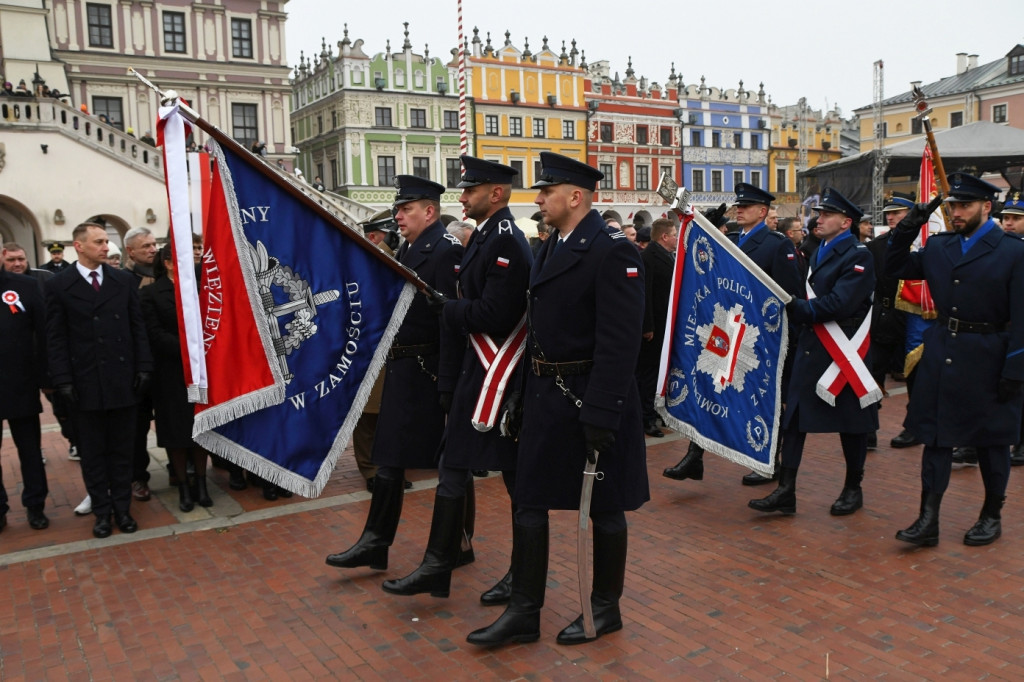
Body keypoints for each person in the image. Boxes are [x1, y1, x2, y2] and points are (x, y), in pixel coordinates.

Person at [467, 152, 648, 647]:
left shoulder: (612, 250)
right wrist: (521, 395)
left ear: (575, 197)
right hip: (546, 397)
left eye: (546, 192)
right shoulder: (550, 247)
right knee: (529, 499)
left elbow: (620, 341)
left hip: (590, 397)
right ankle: (525, 610)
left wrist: (603, 411)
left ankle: (605, 607)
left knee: (604, 506)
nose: (538, 199)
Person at [384, 156, 532, 606]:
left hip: (501, 378)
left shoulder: (506, 241)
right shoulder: (484, 237)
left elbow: (495, 313)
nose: (462, 197)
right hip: (476, 373)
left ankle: (521, 572)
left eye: (471, 190)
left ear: (497, 193)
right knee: (453, 468)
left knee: (514, 482)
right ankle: (438, 564)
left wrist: (445, 308)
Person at [325, 176, 462, 571]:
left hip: (427, 370)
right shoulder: (412, 248)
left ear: (429, 211)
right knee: (390, 458)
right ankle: (376, 542)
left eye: (405, 209)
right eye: (398, 209)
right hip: (404, 368)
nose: (397, 216)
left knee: (446, 462)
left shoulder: (444, 251)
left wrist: (448, 381)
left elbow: (452, 320)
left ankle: (451, 543)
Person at [888, 174, 1024, 547]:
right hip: (944, 351)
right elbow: (895, 267)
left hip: (991, 355)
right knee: (936, 439)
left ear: (986, 206)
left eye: (965, 205)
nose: (957, 212)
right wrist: (911, 224)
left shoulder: (1014, 251)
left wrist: (1016, 368)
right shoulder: (940, 246)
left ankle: (991, 514)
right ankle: (927, 519)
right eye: (953, 206)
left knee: (992, 443)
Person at [749, 188, 878, 517]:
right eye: (818, 215)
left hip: (842, 349)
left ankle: (853, 487)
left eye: (825, 215)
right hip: (813, 345)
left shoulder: (858, 255)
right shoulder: (818, 249)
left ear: (845, 222)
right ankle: (786, 490)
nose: (817, 219)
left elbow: (841, 302)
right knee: (794, 420)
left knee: (851, 423)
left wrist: (796, 307)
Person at [664, 184, 803, 486]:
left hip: (758, 339)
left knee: (763, 397)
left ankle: (767, 460)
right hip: (727, 331)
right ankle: (694, 456)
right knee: (710, 386)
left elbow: (791, 296)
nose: (740, 209)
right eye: (739, 205)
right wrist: (706, 226)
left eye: (748, 205)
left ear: (763, 211)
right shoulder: (730, 241)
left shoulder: (777, 245)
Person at [45, 222, 153, 538]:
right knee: (93, 454)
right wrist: (62, 379)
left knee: (122, 451)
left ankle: (123, 510)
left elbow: (137, 329)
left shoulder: (122, 281)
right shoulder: (58, 285)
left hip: (122, 381)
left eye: (107, 241)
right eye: (99, 242)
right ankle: (102, 514)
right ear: (79, 246)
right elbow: (55, 338)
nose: (106, 247)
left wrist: (144, 367)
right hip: (84, 384)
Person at [141, 246, 212, 512]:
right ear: (169, 263)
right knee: (175, 431)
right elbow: (154, 333)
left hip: (201, 373)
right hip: (170, 374)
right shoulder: (150, 294)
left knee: (201, 428)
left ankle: (202, 484)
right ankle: (183, 485)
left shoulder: (200, 290)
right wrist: (190, 348)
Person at [0, 265, 51, 532]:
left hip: (20, 381)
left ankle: (35, 505)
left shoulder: (25, 285)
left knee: (30, 450)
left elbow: (43, 334)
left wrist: (46, 378)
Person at [869, 193, 913, 450]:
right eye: (889, 213)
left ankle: (912, 426)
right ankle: (869, 427)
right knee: (875, 373)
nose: (891, 216)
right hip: (886, 315)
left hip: (917, 317)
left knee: (916, 377)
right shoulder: (878, 245)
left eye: (897, 212)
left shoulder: (926, 243)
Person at [122, 227, 159, 502]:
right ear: (130, 252)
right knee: (137, 427)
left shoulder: (169, 275)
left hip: (167, 362)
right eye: (145, 246)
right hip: (137, 366)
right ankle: (138, 476)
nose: (152, 249)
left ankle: (182, 467)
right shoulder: (122, 282)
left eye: (153, 244)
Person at [636, 218, 677, 438]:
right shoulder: (648, 258)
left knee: (659, 373)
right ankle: (646, 418)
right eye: (674, 234)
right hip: (654, 329)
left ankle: (656, 413)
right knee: (650, 374)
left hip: (665, 326)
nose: (677, 238)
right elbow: (646, 295)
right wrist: (647, 326)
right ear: (664, 237)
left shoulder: (667, 256)